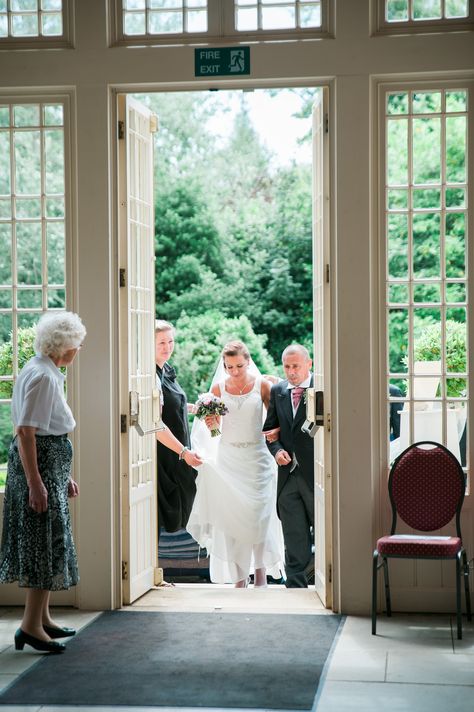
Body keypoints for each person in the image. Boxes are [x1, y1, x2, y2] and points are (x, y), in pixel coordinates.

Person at [0, 311, 86, 653]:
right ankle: (31, 627)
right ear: (63, 346)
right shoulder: (43, 377)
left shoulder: (41, 369)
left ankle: (43, 619)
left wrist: (63, 474)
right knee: (41, 543)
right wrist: (37, 483)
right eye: (76, 344)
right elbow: (27, 431)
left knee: (49, 540)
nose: (78, 350)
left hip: (49, 467)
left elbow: (45, 428)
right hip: (38, 469)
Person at [187, 340, 284, 588]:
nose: (234, 371)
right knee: (233, 519)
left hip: (258, 459)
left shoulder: (263, 386)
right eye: (229, 367)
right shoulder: (218, 390)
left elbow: (274, 421)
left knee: (259, 516)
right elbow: (215, 433)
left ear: (248, 361)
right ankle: (240, 576)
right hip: (228, 460)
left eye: (239, 365)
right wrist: (212, 426)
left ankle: (261, 571)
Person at [262, 344, 314, 588]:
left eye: (296, 366)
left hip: (316, 474)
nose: (291, 372)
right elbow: (269, 431)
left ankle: (324, 582)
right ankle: (295, 587)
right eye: (287, 367)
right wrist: (277, 450)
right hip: (287, 476)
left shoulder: (321, 389)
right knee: (293, 536)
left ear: (309, 364)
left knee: (325, 532)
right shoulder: (278, 390)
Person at [154, 320, 200, 532]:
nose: (167, 347)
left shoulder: (166, 370)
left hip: (178, 453)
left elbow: (171, 405)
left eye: (170, 341)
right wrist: (183, 452)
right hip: (166, 456)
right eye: (161, 342)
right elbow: (156, 423)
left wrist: (192, 408)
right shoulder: (150, 377)